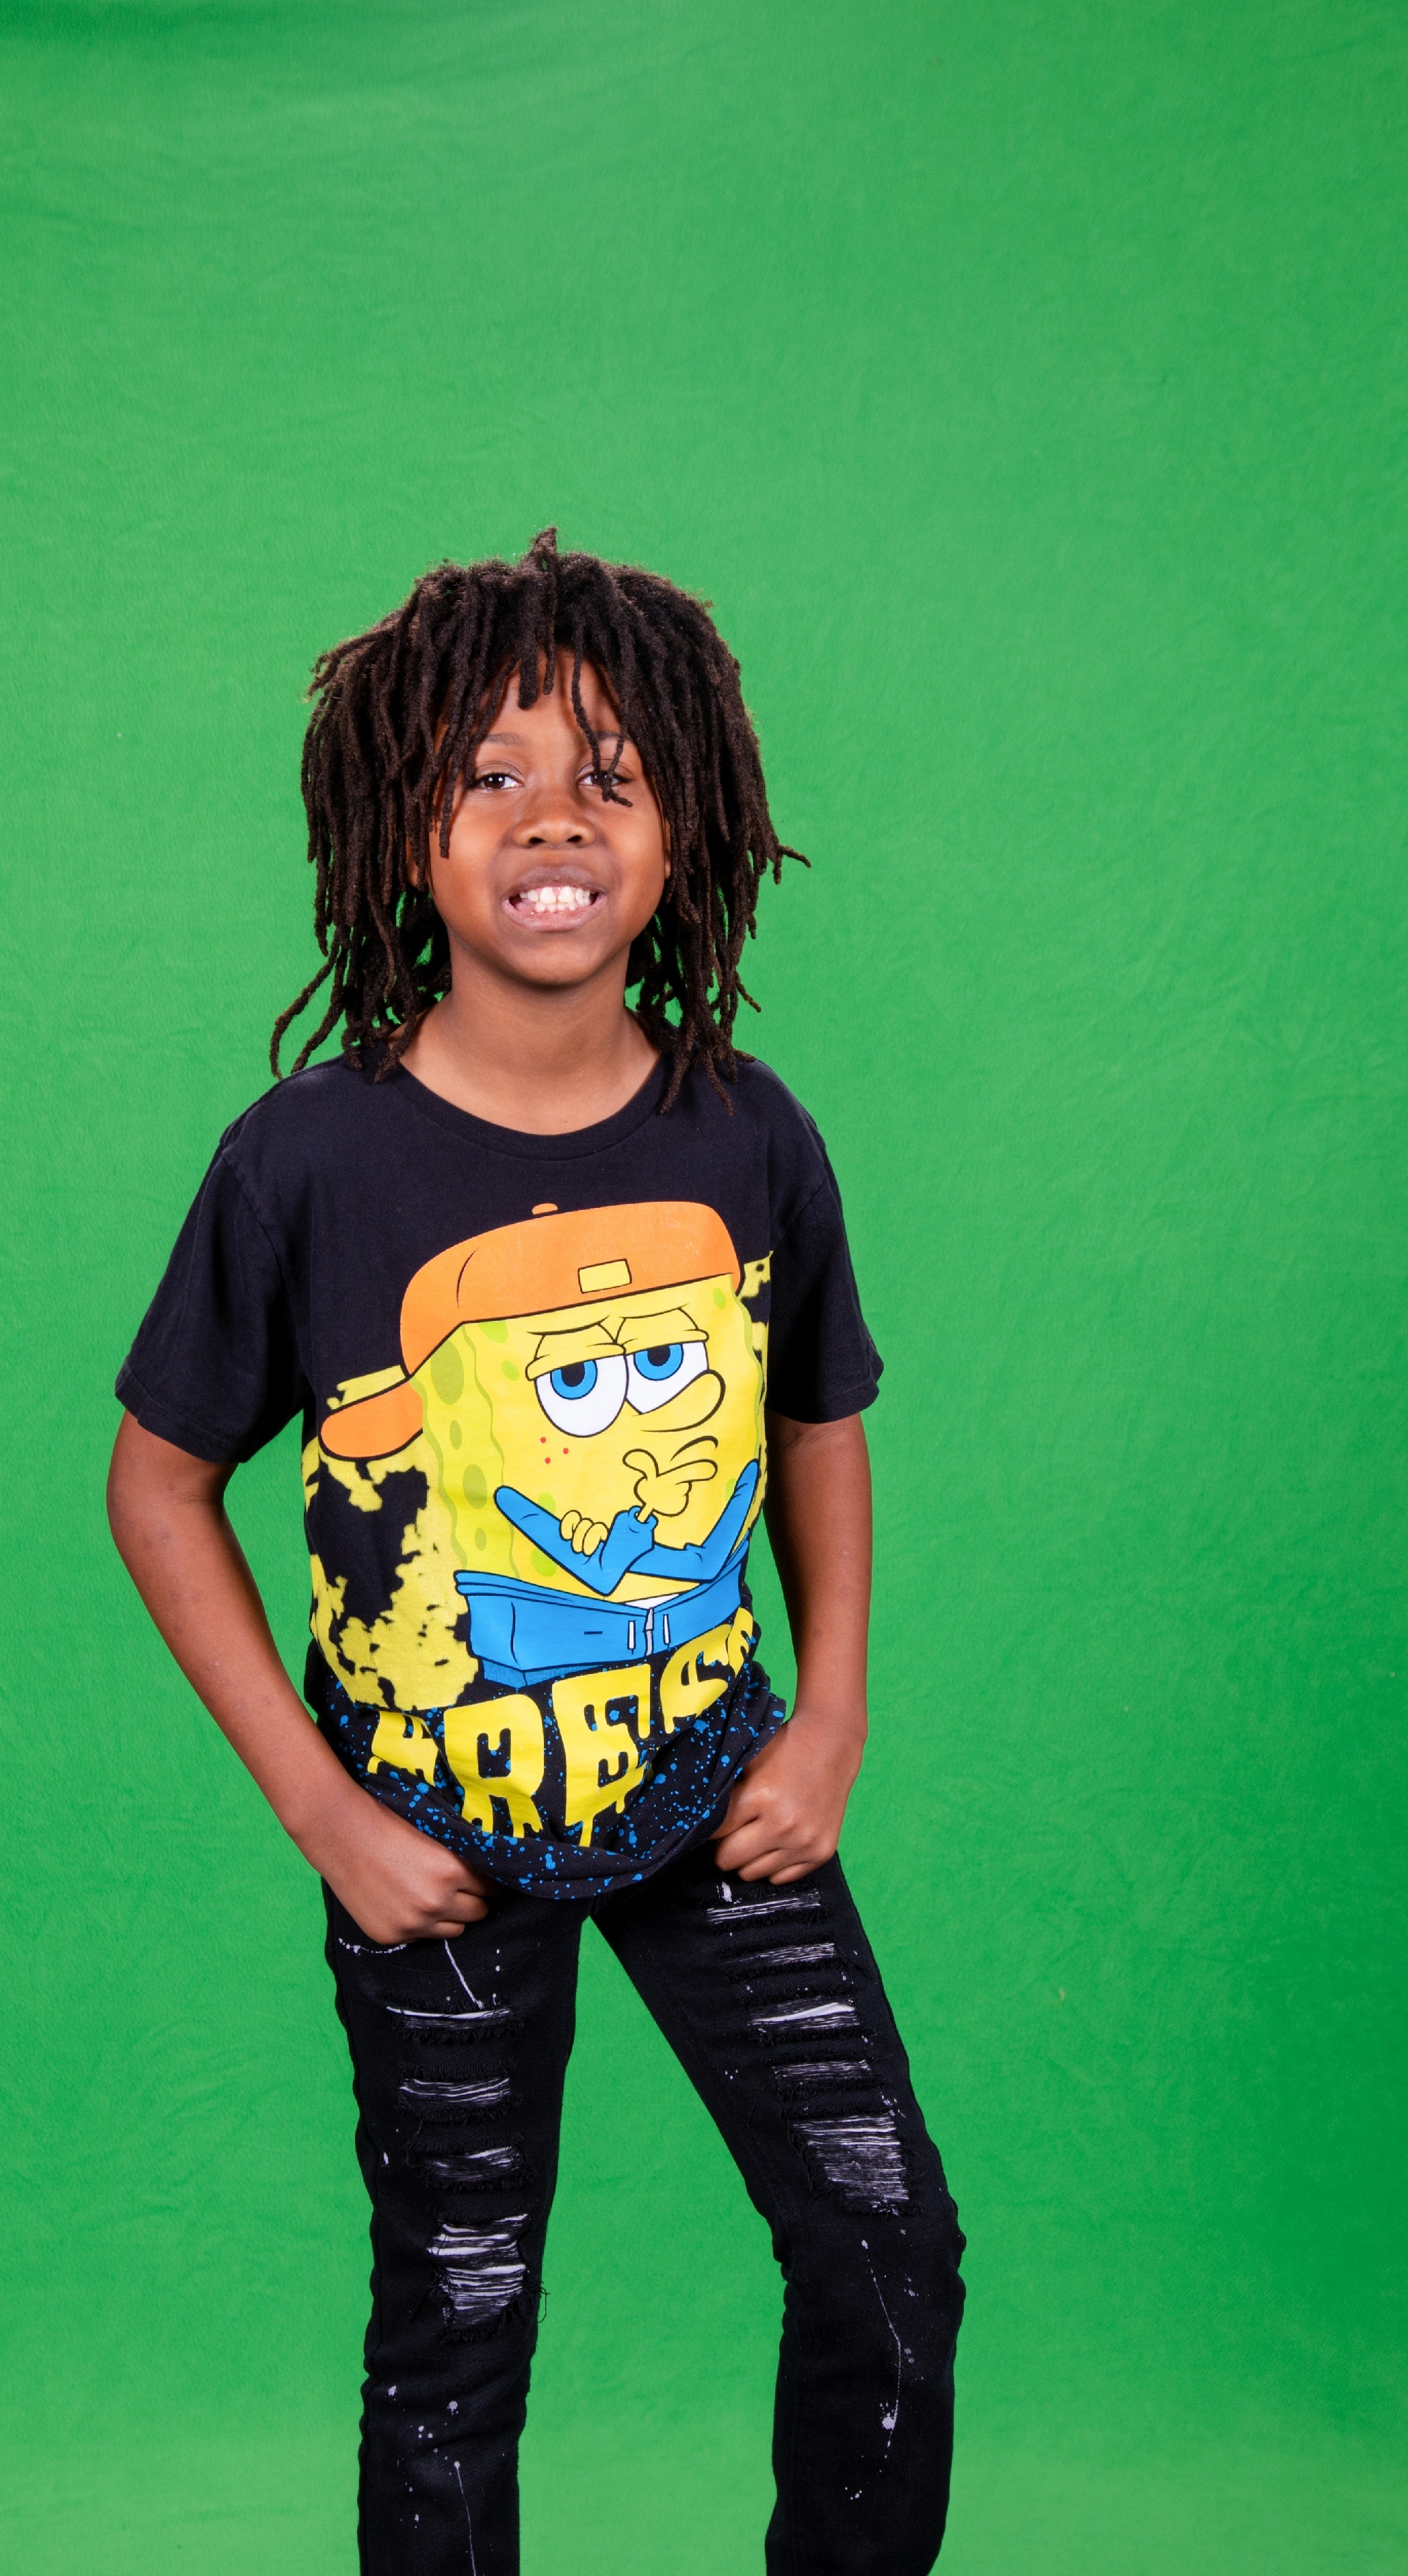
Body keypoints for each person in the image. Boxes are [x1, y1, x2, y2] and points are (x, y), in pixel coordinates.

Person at [106, 530, 965, 2573]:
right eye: (489, 773)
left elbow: (817, 1420)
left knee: (887, 2242)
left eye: (610, 775)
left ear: (688, 829)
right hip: (428, 1837)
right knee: (459, 2319)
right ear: (402, 830)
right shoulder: (306, 1162)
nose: (552, 818)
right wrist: (327, 1815)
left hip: (715, 1790)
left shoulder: (748, 1134)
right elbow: (157, 1484)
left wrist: (830, 1719)